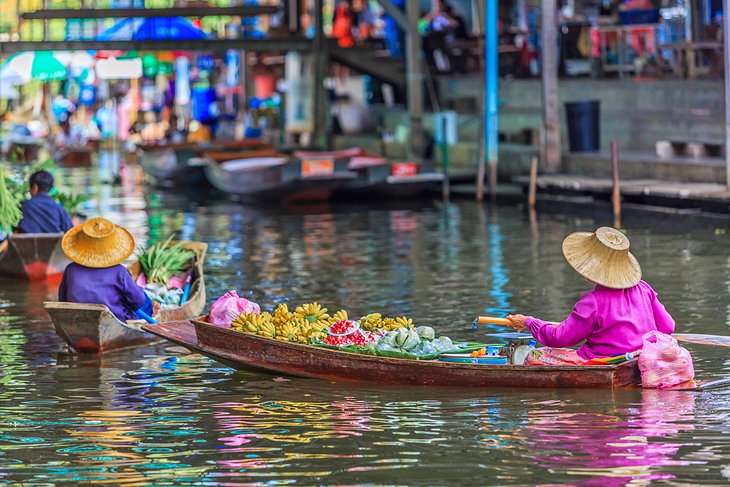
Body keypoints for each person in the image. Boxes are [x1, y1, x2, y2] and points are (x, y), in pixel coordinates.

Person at [505, 226, 675, 366]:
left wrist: (530, 322)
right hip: (640, 359)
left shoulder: (592, 301)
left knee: (534, 356)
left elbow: (560, 337)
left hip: (602, 362)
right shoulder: (644, 288)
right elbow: (667, 327)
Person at [58, 217, 157, 322]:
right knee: (142, 301)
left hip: (76, 319)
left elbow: (63, 299)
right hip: (116, 319)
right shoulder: (120, 272)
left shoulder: (70, 270)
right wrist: (150, 309)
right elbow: (139, 300)